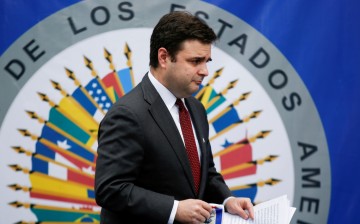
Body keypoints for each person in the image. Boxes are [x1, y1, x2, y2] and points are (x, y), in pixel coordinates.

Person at [95, 11, 254, 224]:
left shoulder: (196, 109)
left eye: (207, 61)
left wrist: (227, 199)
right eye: (196, 61)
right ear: (164, 57)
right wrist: (174, 209)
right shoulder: (127, 114)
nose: (205, 71)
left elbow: (204, 172)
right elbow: (110, 189)